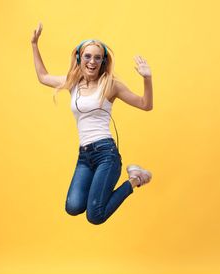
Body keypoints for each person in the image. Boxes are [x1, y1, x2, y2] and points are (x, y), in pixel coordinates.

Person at [31, 22, 153, 225]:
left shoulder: (111, 84)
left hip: (106, 154)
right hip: (84, 155)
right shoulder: (73, 83)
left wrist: (147, 79)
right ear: (79, 58)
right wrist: (34, 44)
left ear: (103, 61)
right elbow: (43, 77)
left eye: (98, 57)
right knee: (73, 207)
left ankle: (136, 178)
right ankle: (133, 178)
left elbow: (145, 105)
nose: (92, 61)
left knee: (95, 216)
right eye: (87, 56)